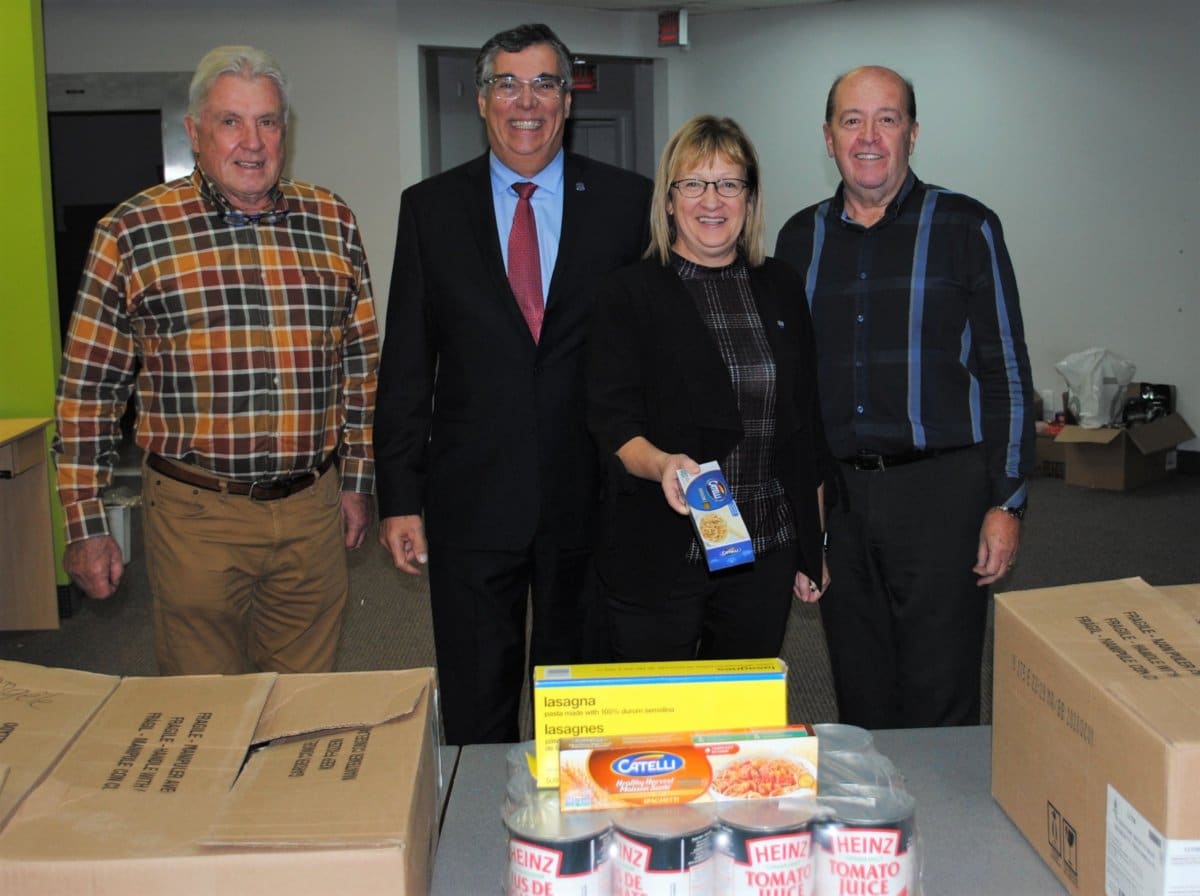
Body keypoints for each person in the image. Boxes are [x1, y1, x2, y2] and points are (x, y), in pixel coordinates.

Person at [53, 45, 379, 676]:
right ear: (195, 131)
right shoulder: (133, 231)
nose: (251, 142)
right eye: (230, 121)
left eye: (268, 121)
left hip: (311, 509)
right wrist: (86, 522)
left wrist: (358, 481)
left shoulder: (332, 221)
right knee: (205, 710)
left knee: (302, 705)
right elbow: (88, 390)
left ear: (286, 130)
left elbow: (358, 369)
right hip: (195, 515)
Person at [374, 24, 652, 744]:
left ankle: (573, 849)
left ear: (567, 99)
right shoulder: (429, 209)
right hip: (470, 503)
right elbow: (407, 362)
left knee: (581, 708)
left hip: (589, 500)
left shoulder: (629, 205)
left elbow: (650, 359)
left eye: (543, 84)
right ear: (481, 99)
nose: (525, 102)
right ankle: (476, 841)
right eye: (507, 84)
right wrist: (399, 497)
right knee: (475, 703)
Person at [774, 65, 1035, 728]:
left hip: (941, 492)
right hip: (842, 499)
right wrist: (805, 515)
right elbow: (794, 393)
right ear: (828, 137)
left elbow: (1006, 369)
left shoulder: (964, 226)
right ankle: (872, 829)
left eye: (887, 119)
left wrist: (1007, 502)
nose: (869, 136)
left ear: (912, 134)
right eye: (851, 120)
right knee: (859, 690)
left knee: (940, 689)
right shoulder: (798, 241)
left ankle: (948, 833)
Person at [586, 114, 831, 663]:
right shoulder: (629, 293)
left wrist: (812, 544)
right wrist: (662, 464)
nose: (712, 200)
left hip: (763, 548)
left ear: (749, 198)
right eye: (694, 184)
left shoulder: (781, 286)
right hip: (661, 546)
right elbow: (612, 422)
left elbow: (806, 426)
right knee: (659, 724)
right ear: (669, 201)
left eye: (729, 184)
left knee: (740, 721)